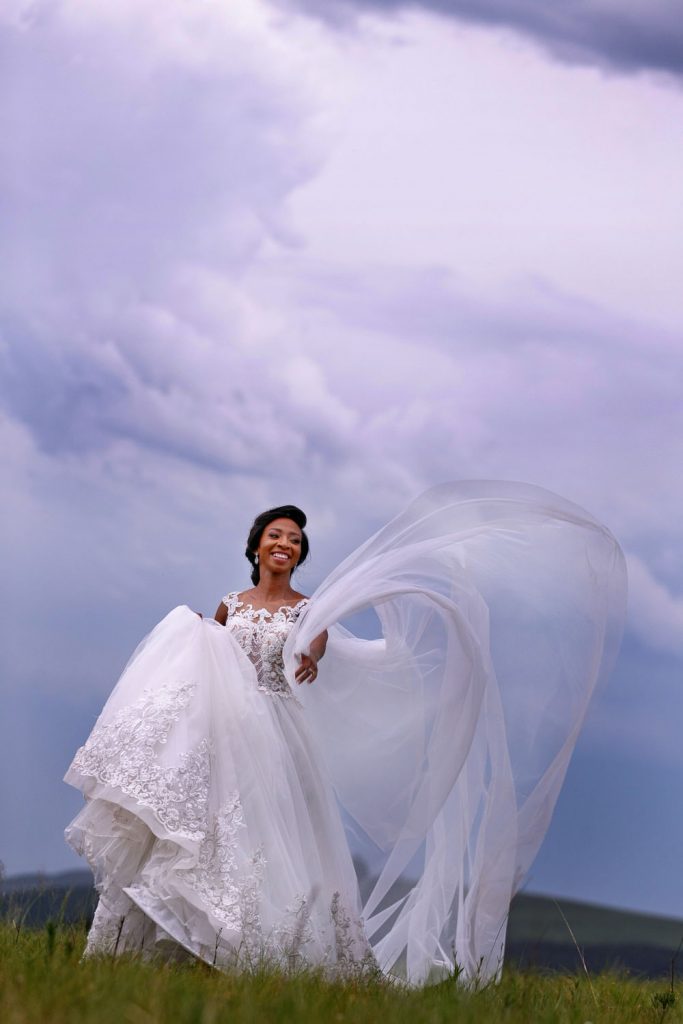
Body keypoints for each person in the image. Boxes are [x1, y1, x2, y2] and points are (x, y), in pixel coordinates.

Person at [65, 482, 627, 983]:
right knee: (207, 836)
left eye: (295, 540)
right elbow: (199, 662)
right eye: (276, 535)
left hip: (277, 741)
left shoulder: (310, 612)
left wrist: (308, 652)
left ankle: (256, 951)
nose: (285, 544)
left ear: (299, 555)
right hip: (222, 735)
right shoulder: (228, 607)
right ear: (256, 545)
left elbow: (313, 647)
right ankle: (183, 947)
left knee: (268, 841)